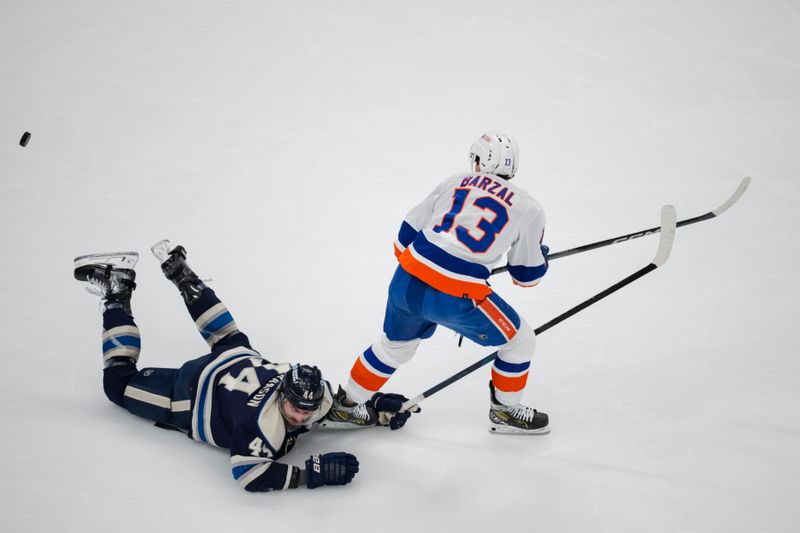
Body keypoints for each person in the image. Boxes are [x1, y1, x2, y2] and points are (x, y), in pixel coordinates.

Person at [73, 240, 413, 493]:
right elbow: (248, 474)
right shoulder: (261, 425)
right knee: (117, 383)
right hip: (192, 393)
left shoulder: (315, 397)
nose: (299, 417)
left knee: (227, 335)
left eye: (306, 412)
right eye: (295, 408)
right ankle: (117, 289)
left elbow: (338, 411)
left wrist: (378, 410)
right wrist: (312, 475)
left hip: (238, 357)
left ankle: (182, 274)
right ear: (283, 392)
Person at [325, 132, 550, 435]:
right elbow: (526, 275)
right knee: (521, 341)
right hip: (456, 296)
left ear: (480, 161)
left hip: (406, 281)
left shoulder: (454, 181)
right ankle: (505, 410)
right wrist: (540, 257)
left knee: (394, 348)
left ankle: (346, 406)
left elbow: (404, 238)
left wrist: (436, 262)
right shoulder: (529, 207)